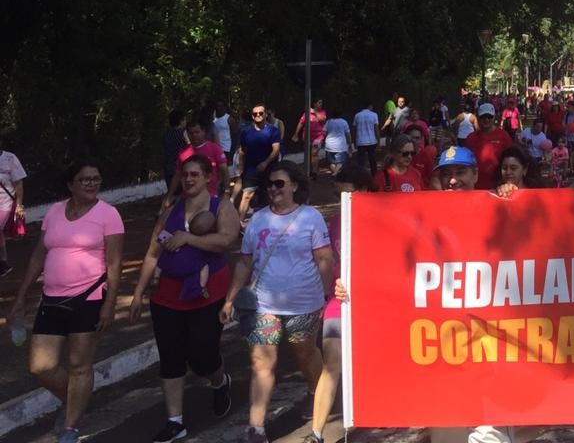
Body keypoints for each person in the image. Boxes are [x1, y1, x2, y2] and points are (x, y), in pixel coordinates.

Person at [12, 160, 124, 443]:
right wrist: (22, 295)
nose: (92, 183)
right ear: (70, 184)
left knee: (79, 366)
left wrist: (110, 304)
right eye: (85, 179)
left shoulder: (108, 214)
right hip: (51, 299)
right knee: (41, 366)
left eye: (96, 178)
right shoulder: (54, 212)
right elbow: (39, 255)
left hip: (89, 298)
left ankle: (71, 427)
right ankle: (75, 400)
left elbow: (114, 262)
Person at [221, 161, 333, 443]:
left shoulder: (310, 218)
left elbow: (324, 259)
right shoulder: (258, 219)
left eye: (279, 183)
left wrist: (326, 296)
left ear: (294, 186)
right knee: (261, 362)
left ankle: (316, 392)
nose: (273, 189)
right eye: (269, 184)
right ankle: (256, 428)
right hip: (263, 305)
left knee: (304, 354)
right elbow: (244, 263)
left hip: (304, 303)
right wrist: (230, 299)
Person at [129, 155, 238, 442]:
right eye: (185, 174)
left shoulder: (220, 206)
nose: (189, 179)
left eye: (195, 174)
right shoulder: (171, 211)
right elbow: (153, 253)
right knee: (171, 357)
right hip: (167, 296)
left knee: (203, 358)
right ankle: (175, 422)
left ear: (207, 177)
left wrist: (189, 238)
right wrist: (138, 292)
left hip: (207, 294)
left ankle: (220, 381)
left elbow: (227, 240)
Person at [306, 163, 375, 443]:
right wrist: (335, 284)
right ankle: (316, 433)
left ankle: (371, 415)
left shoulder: (384, 220)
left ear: (365, 191)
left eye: (348, 194)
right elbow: (333, 263)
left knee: (369, 363)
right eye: (339, 195)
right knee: (331, 363)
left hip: (375, 304)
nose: (342, 200)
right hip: (340, 301)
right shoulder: (336, 222)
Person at [164, 114, 231, 207]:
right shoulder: (183, 154)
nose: (194, 135)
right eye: (191, 133)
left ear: (203, 132)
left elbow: (224, 170)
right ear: (187, 134)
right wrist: (169, 196)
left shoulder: (215, 149)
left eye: (197, 132)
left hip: (210, 197)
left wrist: (227, 191)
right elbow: (177, 175)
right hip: (188, 199)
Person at [237, 105, 282, 221]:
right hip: (251, 169)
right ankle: (239, 222)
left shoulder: (273, 130)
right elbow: (242, 150)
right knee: (246, 195)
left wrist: (265, 163)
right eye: (255, 114)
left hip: (269, 169)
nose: (258, 115)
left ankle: (274, 220)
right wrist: (241, 167)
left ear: (265, 114)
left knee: (271, 196)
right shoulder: (245, 132)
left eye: (261, 113)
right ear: (252, 116)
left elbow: (276, 150)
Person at [464, 103, 514, 190]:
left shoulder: (503, 136)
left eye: (489, 117)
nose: (486, 120)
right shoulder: (471, 138)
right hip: (476, 186)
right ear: (478, 118)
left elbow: (511, 159)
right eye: (483, 117)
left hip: (498, 186)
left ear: (494, 117)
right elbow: (465, 162)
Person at [0, 135, 27, 276]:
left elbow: (18, 185)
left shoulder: (10, 158)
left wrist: (19, 206)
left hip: (5, 204)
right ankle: (3, 263)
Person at [293, 99, 328, 173]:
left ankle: (314, 172)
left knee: (314, 153)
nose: (321, 104)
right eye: (319, 102)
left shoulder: (322, 112)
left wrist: (315, 112)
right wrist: (296, 134)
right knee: (308, 154)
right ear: (314, 104)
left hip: (318, 137)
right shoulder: (307, 113)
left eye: (321, 103)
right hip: (307, 137)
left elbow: (322, 120)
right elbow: (301, 123)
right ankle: (308, 170)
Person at [162, 109, 190, 192]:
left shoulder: (167, 134)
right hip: (181, 167)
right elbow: (190, 148)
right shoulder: (183, 133)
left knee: (173, 192)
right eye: (184, 119)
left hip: (168, 167)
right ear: (181, 121)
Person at [352, 101, 381, 175]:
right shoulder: (374, 115)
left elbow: (354, 129)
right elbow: (376, 129)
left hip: (361, 142)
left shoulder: (357, 115)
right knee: (372, 161)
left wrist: (354, 141)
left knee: (361, 162)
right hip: (372, 141)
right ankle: (374, 176)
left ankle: (361, 177)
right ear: (370, 106)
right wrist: (378, 141)